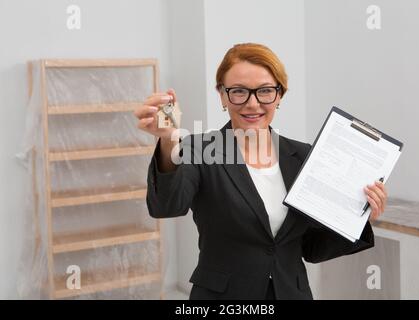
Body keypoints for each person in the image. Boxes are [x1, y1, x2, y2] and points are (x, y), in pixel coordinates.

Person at [134, 43, 387, 300]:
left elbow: (312, 248)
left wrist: (359, 217)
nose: (253, 104)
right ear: (222, 94)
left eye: (265, 91)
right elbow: (166, 206)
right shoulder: (198, 149)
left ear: (280, 95)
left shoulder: (303, 156)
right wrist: (168, 139)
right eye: (239, 91)